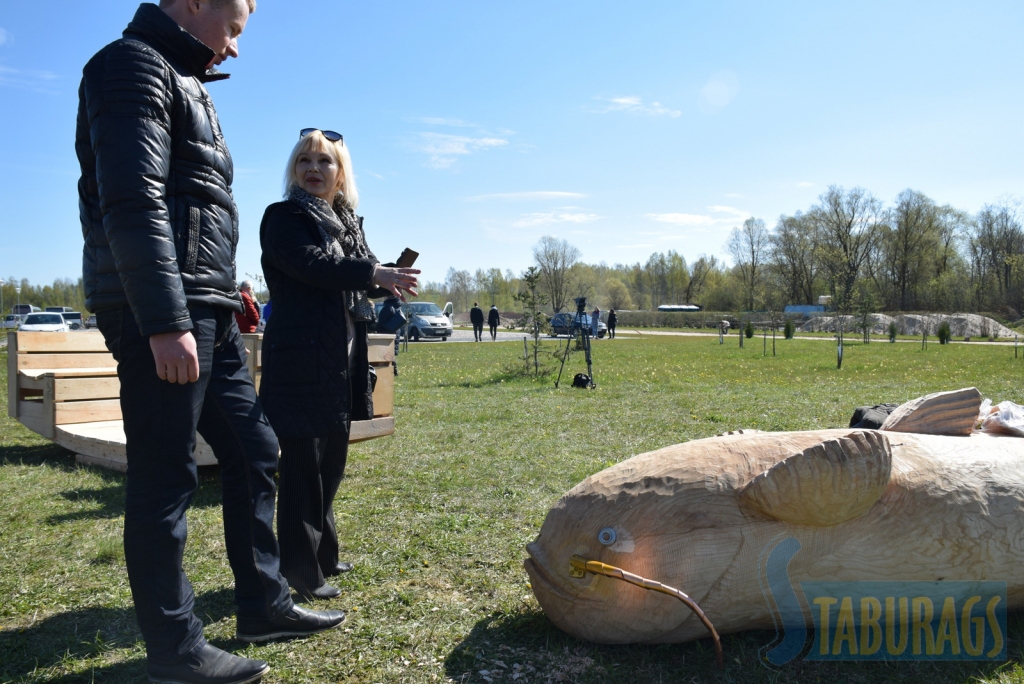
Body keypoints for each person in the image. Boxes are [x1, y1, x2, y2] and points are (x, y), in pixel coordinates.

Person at [76, 3, 346, 682]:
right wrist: (165, 321)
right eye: (232, 28)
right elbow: (133, 200)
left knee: (257, 448)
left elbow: (194, 205)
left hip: (210, 305)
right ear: (194, 3)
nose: (233, 48)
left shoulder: (182, 78)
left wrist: (226, 297)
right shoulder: (130, 66)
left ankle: (263, 602)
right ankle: (176, 652)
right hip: (163, 310)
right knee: (166, 475)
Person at [259, 129, 419, 601]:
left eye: (324, 162)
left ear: (340, 174)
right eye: (304, 160)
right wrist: (373, 273)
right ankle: (299, 571)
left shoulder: (344, 222)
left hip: (340, 360)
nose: (313, 169)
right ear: (294, 170)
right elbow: (314, 267)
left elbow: (355, 276)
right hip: (300, 362)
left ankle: (323, 555)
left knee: (331, 465)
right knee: (302, 471)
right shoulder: (284, 218)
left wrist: (386, 276)